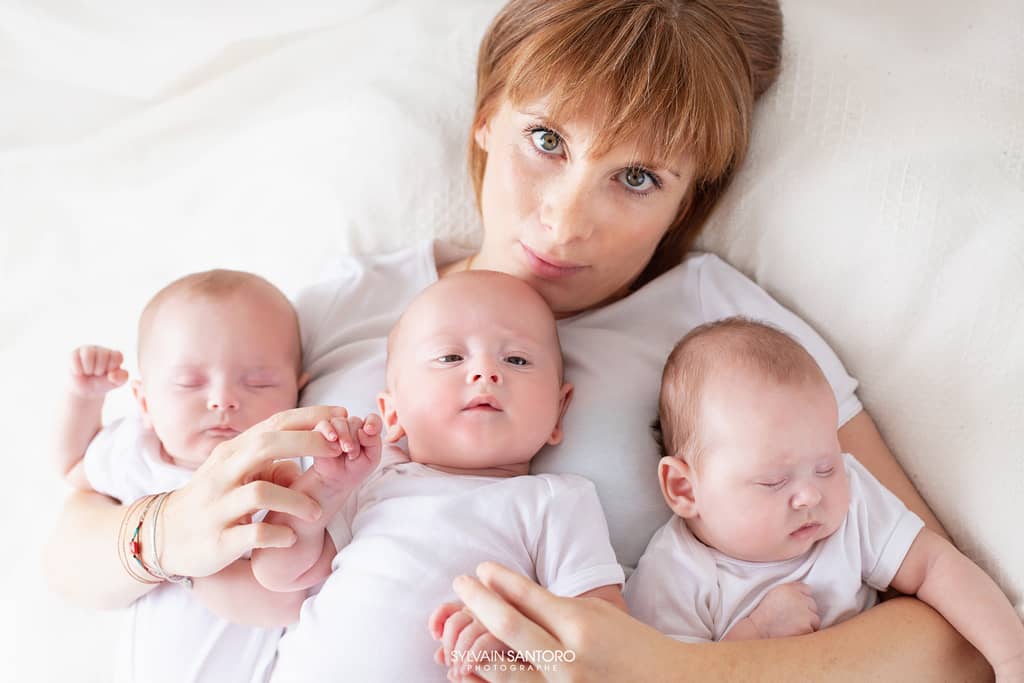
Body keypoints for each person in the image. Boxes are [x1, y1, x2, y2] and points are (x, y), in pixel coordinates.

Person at [44, 0, 993, 680]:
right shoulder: (348, 304)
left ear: (689, 199)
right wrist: (166, 533)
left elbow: (950, 639)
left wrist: (662, 672)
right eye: (547, 140)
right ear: (487, 120)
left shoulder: (730, 340)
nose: (566, 219)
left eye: (636, 179)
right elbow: (72, 540)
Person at [250, 270, 624, 681]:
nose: (485, 372)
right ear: (392, 413)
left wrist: (521, 646)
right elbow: (278, 573)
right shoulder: (371, 480)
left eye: (516, 359)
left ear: (559, 408)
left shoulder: (556, 500)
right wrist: (324, 485)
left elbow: (605, 638)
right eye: (450, 358)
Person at [621, 318, 1024, 677]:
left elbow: (936, 566)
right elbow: (675, 674)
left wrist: (1010, 657)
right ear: (684, 488)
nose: (810, 494)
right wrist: (755, 634)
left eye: (826, 466)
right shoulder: (672, 577)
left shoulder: (852, 502)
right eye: (773, 481)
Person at [54, 269, 319, 683]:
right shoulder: (138, 453)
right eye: (188, 383)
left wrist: (188, 565)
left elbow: (283, 605)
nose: (223, 400)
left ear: (297, 393)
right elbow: (72, 467)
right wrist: (83, 400)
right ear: (144, 401)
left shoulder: (278, 478)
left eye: (258, 383)